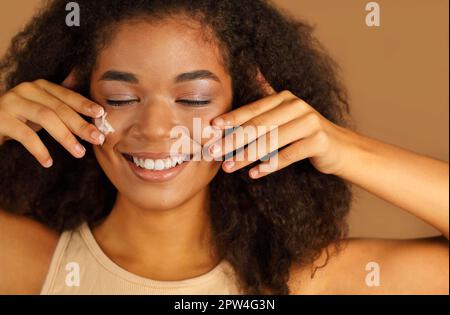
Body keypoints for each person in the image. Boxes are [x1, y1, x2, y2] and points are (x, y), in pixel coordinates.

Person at [0, 0, 448, 294]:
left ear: (249, 106)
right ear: (75, 99)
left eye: (192, 100)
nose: (156, 130)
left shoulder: (306, 283)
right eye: (121, 99)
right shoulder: (31, 265)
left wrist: (337, 145)